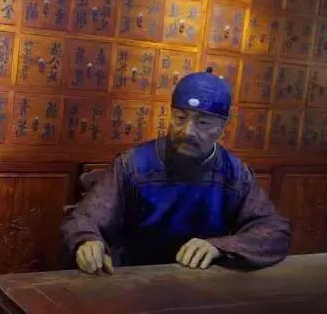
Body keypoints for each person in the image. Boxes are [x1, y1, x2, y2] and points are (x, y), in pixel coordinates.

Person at [62, 69, 291, 274]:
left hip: (201, 279)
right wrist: (86, 240)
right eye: (180, 118)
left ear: (222, 127)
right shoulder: (133, 164)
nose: (187, 131)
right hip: (135, 277)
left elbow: (274, 231)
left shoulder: (235, 174)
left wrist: (219, 247)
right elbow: (84, 217)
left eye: (202, 123)